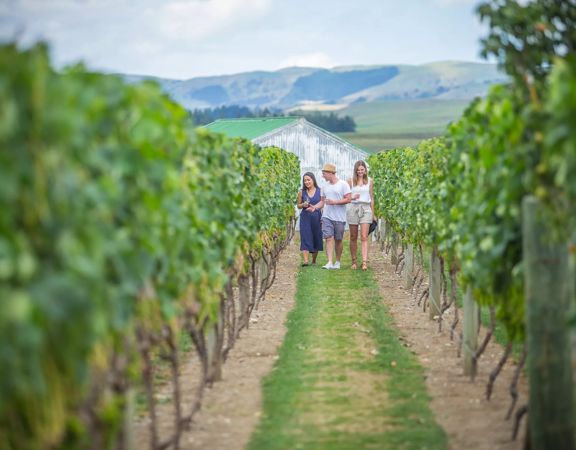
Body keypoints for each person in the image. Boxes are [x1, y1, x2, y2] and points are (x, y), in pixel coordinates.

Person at [320, 163, 351, 270]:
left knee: (338, 240)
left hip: (339, 217)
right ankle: (329, 262)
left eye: (324, 174)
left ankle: (337, 262)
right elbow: (322, 201)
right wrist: (314, 207)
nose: (322, 176)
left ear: (330, 173)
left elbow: (348, 199)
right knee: (328, 238)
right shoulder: (324, 186)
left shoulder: (343, 184)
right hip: (326, 216)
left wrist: (335, 202)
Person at [347, 160, 375, 271]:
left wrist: (373, 213)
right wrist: (352, 198)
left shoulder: (370, 181)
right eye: (358, 170)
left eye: (362, 169)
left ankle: (364, 262)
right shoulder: (350, 181)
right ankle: (353, 261)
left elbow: (372, 197)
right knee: (353, 236)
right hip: (353, 208)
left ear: (365, 170)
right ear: (355, 170)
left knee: (364, 236)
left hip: (366, 208)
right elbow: (346, 197)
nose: (360, 171)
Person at [297, 172, 324, 266]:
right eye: (305, 180)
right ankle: (305, 261)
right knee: (305, 236)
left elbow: (322, 203)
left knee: (316, 237)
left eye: (308, 180)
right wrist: (302, 205)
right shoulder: (301, 192)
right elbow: (298, 206)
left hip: (316, 217)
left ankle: (313, 260)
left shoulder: (320, 191)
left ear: (313, 180)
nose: (307, 182)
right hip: (305, 218)